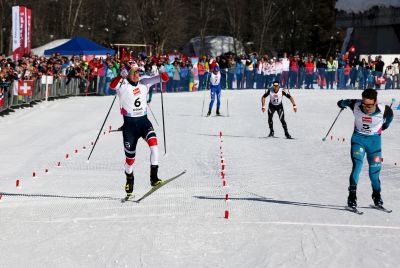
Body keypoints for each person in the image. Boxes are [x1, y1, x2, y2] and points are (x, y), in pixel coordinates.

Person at [110, 64, 169, 197]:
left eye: (138, 72)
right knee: (130, 160)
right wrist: (120, 75)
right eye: (135, 72)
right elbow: (112, 86)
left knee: (154, 146)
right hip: (129, 127)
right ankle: (129, 179)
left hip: (144, 122)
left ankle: (154, 178)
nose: (138, 75)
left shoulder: (145, 82)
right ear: (128, 74)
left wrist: (163, 71)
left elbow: (164, 79)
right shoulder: (123, 85)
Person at [337, 88, 393, 208]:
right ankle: (352, 197)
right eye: (364, 104)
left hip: (375, 144)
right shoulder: (355, 104)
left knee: (374, 174)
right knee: (357, 166)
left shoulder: (384, 110)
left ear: (375, 102)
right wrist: (341, 103)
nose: (366, 108)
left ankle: (376, 195)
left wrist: (385, 126)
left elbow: (390, 117)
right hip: (358, 140)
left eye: (369, 105)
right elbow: (343, 102)